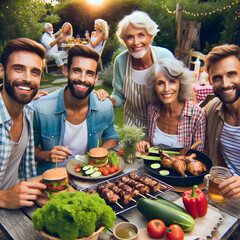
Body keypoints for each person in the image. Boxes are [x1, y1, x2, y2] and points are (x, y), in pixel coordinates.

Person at [33, 44, 119, 175]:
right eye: (77, 70)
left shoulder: (104, 106)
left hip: (88, 175)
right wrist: (48, 155)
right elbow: (29, 149)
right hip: (53, 177)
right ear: (67, 71)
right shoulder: (41, 107)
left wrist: (98, 155)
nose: (83, 79)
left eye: (89, 73)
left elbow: (112, 136)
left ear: (96, 78)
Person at [95, 11, 173, 129]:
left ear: (150, 36)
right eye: (130, 37)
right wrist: (108, 101)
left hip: (162, 126)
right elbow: (119, 95)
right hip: (133, 127)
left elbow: (180, 90)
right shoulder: (121, 61)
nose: (136, 42)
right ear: (124, 40)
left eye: (141, 35)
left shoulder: (165, 56)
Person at [0, 38, 47, 209]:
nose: (27, 79)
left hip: (18, 213)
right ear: (2, 70)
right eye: (19, 69)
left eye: (35, 72)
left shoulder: (28, 112)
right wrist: (4, 198)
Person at [136, 58, 206, 153]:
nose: (166, 89)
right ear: (154, 87)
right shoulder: (153, 109)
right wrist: (146, 145)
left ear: (180, 84)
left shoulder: (197, 115)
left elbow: (198, 155)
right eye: (160, 83)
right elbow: (152, 144)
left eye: (172, 81)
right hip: (154, 166)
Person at [204, 44, 240, 199]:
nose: (225, 84)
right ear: (209, 80)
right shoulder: (211, 110)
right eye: (217, 77)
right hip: (222, 199)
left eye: (232, 74)